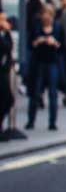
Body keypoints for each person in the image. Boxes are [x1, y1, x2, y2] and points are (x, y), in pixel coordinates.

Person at [27, 5, 64, 130]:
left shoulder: (58, 27)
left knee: (53, 93)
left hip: (52, 62)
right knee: (35, 92)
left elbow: (62, 46)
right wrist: (38, 41)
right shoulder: (36, 27)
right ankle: (31, 120)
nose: (46, 17)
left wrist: (54, 42)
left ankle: (52, 122)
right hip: (39, 62)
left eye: (48, 14)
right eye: (44, 14)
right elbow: (30, 45)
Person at [0, 11, 24, 141]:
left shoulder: (5, 34)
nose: (4, 22)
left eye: (5, 19)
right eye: (1, 19)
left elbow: (9, 47)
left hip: (4, 71)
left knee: (8, 99)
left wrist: (7, 32)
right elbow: (5, 47)